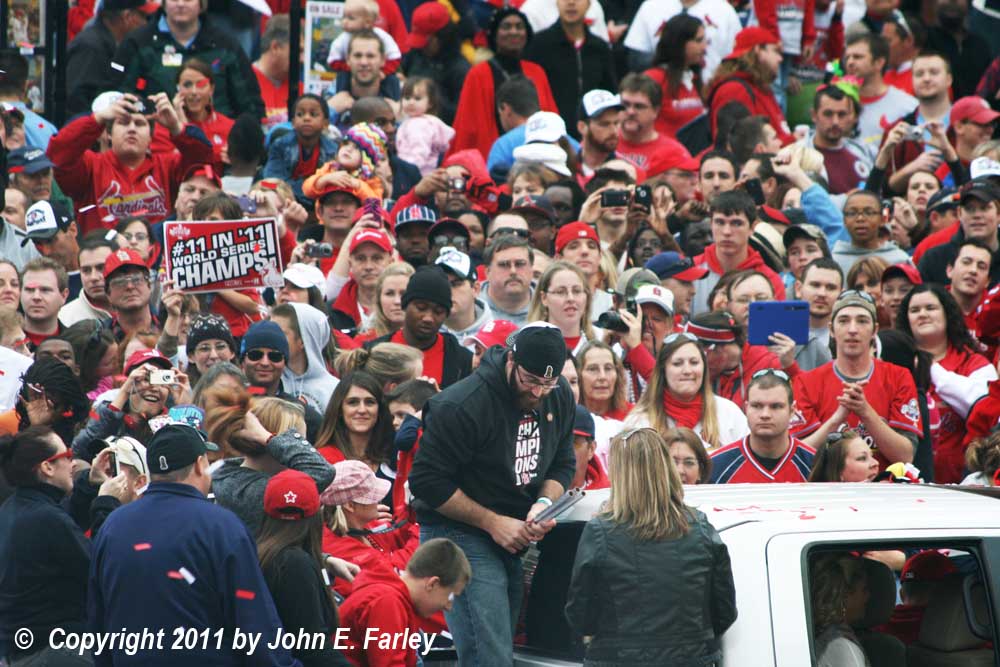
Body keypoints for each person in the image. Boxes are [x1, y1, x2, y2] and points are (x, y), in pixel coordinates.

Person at [409, 324, 576, 665]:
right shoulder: (463, 404)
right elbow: (426, 481)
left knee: (502, 647)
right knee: (489, 654)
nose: (538, 391)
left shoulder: (559, 395)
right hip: (458, 530)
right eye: (530, 380)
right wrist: (492, 522)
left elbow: (563, 462)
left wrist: (543, 504)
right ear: (511, 360)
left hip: (516, 528)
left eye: (548, 382)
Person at [88, 423, 301, 666]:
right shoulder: (222, 526)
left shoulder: (113, 525)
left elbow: (98, 619)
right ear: (200, 464)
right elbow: (253, 620)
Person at [565, 427, 737, 665]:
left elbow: (581, 617)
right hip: (692, 658)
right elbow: (724, 610)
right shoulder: (700, 527)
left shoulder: (600, 531)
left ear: (620, 474)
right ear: (665, 467)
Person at [0, 427, 107, 665]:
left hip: (20, 651)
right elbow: (99, 569)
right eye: (67, 455)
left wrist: (90, 483)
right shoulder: (46, 519)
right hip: (53, 650)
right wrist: (108, 504)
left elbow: (64, 517)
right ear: (47, 467)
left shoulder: (15, 508)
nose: (73, 463)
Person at [46, 92, 214, 233]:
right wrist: (98, 118)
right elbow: (57, 153)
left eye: (140, 124)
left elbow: (205, 158)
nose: (132, 129)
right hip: (103, 257)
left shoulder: (168, 166)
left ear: (151, 137)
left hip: (157, 257)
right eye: (124, 122)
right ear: (109, 134)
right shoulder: (91, 166)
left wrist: (176, 126)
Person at [793, 288, 922, 472]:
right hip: (826, 486)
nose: (852, 329)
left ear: (874, 330)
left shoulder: (899, 377)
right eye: (843, 321)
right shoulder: (807, 382)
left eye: (862, 321)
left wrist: (865, 412)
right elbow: (797, 458)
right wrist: (836, 420)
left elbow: (905, 456)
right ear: (831, 329)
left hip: (882, 485)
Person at [897, 284, 996, 483]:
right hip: (906, 480)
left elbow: (982, 405)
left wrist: (930, 367)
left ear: (947, 313)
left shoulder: (974, 362)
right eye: (914, 310)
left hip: (961, 481)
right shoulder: (896, 364)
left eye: (930, 308)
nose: (922, 314)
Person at [257, 470, 352, 667]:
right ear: (317, 514)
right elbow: (312, 647)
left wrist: (325, 561)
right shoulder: (294, 564)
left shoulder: (260, 552)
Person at [111, 0, 264, 119]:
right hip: (156, 139)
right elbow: (116, 95)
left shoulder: (226, 45)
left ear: (201, 4)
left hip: (217, 139)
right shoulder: (136, 42)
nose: (181, 4)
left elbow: (250, 104)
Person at [339, 538, 471, 667]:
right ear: (432, 584)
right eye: (450, 596)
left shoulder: (394, 599)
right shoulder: (388, 603)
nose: (448, 606)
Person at [449, 7, 559, 159]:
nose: (513, 32)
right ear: (494, 35)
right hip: (493, 157)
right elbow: (467, 127)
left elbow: (551, 117)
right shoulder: (478, 74)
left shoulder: (536, 72)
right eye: (506, 27)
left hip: (537, 156)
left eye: (519, 27)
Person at [625, 332, 749, 448]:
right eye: (677, 363)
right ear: (663, 371)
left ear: (704, 368)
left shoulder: (728, 412)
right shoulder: (639, 421)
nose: (687, 371)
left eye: (694, 362)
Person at [363, 266, 472, 389]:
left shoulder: (462, 360)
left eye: (438, 311)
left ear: (446, 315)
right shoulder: (373, 352)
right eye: (421, 308)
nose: (428, 318)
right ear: (405, 305)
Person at [525, 0, 617, 136]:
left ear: (589, 4)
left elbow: (609, 90)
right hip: (551, 132)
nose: (571, 3)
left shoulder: (600, 48)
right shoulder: (539, 46)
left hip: (592, 134)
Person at [710, 369, 816, 483]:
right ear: (746, 408)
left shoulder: (814, 464)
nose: (765, 415)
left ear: (792, 411)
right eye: (756, 406)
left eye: (776, 406)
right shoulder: (715, 466)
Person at [691, 189, 786, 316]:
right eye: (720, 222)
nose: (727, 232)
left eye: (736, 223)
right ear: (711, 224)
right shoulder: (691, 271)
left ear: (752, 228)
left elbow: (775, 325)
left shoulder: (771, 280)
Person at [239, 321, 324, 443]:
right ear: (243, 361)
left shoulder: (307, 417)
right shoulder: (228, 408)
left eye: (275, 356)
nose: (265, 363)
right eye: (255, 355)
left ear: (285, 363)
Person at [707, 27, 793, 145]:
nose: (780, 59)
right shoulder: (733, 90)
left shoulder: (760, 86)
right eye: (775, 51)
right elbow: (739, 146)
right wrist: (792, 141)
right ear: (758, 50)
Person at [624, 0, 741, 82]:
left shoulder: (724, 10)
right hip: (661, 91)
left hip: (711, 90)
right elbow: (636, 59)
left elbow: (737, 58)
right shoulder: (651, 6)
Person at [844, 33, 917, 156]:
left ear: (879, 62)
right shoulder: (838, 103)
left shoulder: (907, 106)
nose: (850, 62)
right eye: (847, 58)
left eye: (857, 57)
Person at [263, 94, 339, 209]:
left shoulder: (333, 150)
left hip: (319, 202)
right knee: (266, 185)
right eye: (300, 114)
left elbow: (331, 185)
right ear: (293, 122)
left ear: (325, 123)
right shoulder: (280, 145)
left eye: (313, 114)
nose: (306, 118)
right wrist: (310, 189)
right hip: (286, 200)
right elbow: (272, 181)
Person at [919, 180, 1000, 286]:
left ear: (998, 214)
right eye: (969, 208)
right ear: (959, 213)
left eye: (984, 208)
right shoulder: (934, 259)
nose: (977, 215)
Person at [314, 371, 394, 472]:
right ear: (339, 409)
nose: (362, 410)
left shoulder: (395, 455)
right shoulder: (323, 460)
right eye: (353, 402)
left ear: (380, 409)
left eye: (370, 402)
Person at [616, 73, 693, 178]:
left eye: (639, 106)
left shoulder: (674, 153)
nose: (630, 112)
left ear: (656, 111)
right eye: (625, 105)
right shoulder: (603, 143)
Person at [644, 15, 708, 138]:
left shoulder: (695, 79)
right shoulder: (653, 79)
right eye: (698, 40)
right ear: (679, 42)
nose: (704, 47)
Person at [271, 303, 340, 413]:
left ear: (304, 340)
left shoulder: (334, 389)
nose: (271, 339)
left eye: (280, 334)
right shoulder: (268, 380)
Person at [807, 84, 873, 195]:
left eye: (841, 114)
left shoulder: (864, 152)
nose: (835, 122)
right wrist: (846, 199)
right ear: (814, 115)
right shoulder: (799, 156)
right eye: (828, 114)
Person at [172, 58, 235, 172]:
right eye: (187, 85)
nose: (194, 92)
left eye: (201, 85)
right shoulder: (165, 129)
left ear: (211, 89)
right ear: (177, 89)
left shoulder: (230, 127)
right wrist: (181, 124)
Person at [809, 553, 872, 665]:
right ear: (845, 597)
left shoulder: (822, 635)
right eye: (864, 589)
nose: (868, 596)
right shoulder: (843, 648)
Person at [833, 190, 911, 275]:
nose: (860, 218)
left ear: (882, 219)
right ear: (844, 220)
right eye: (852, 213)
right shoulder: (834, 261)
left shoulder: (899, 260)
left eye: (869, 213)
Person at [527, 261, 595, 355]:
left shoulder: (602, 339)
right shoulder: (527, 343)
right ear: (544, 298)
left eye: (576, 291)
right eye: (560, 292)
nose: (570, 298)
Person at [396, 77, 457, 175]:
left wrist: (407, 172)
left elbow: (419, 152)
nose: (411, 103)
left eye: (417, 98)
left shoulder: (418, 125)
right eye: (407, 98)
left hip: (416, 173)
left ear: (430, 103)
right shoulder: (427, 122)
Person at [794, 258, 844, 371]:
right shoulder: (782, 334)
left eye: (831, 287)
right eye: (815, 285)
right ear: (798, 288)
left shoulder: (848, 336)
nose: (822, 293)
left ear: (841, 294)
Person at [437, 246, 493, 346]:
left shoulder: (498, 332)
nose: (447, 291)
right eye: (441, 284)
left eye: (456, 284)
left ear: (475, 289)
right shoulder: (422, 334)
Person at [60, 235, 114, 326]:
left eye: (101, 268)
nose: (93, 277)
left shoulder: (137, 305)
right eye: (86, 270)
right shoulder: (65, 319)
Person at [20, 257, 68, 349]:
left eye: (45, 290)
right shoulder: (4, 343)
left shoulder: (77, 344)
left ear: (63, 296)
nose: (36, 297)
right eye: (29, 290)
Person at [577, 340, 633, 421]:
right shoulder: (568, 416)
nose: (602, 377)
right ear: (578, 375)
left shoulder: (633, 417)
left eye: (608, 368)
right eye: (593, 369)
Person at [253, 15, 292, 130]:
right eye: (299, 51)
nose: (302, 59)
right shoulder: (243, 81)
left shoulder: (301, 88)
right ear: (275, 47)